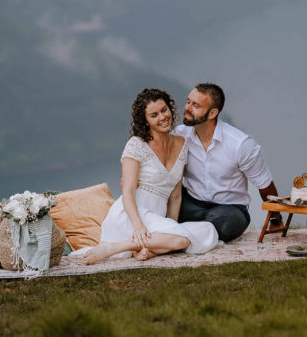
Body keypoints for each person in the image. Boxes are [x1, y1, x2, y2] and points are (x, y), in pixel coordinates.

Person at [75, 88, 219, 264]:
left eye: (164, 110)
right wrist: (138, 226)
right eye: (154, 115)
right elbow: (127, 192)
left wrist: (171, 226)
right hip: (132, 214)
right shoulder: (136, 145)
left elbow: (175, 195)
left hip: (157, 217)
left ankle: (152, 250)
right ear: (146, 120)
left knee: (208, 229)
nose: (162, 117)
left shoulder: (181, 144)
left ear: (170, 108)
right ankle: (113, 247)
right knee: (183, 240)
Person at [175, 83, 284, 242]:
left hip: (229, 209)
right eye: (188, 101)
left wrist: (276, 219)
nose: (187, 108)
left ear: (213, 113)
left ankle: (181, 236)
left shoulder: (241, 144)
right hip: (190, 203)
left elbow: (264, 185)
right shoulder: (179, 136)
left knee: (222, 225)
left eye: (196, 105)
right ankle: (191, 237)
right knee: (160, 213)